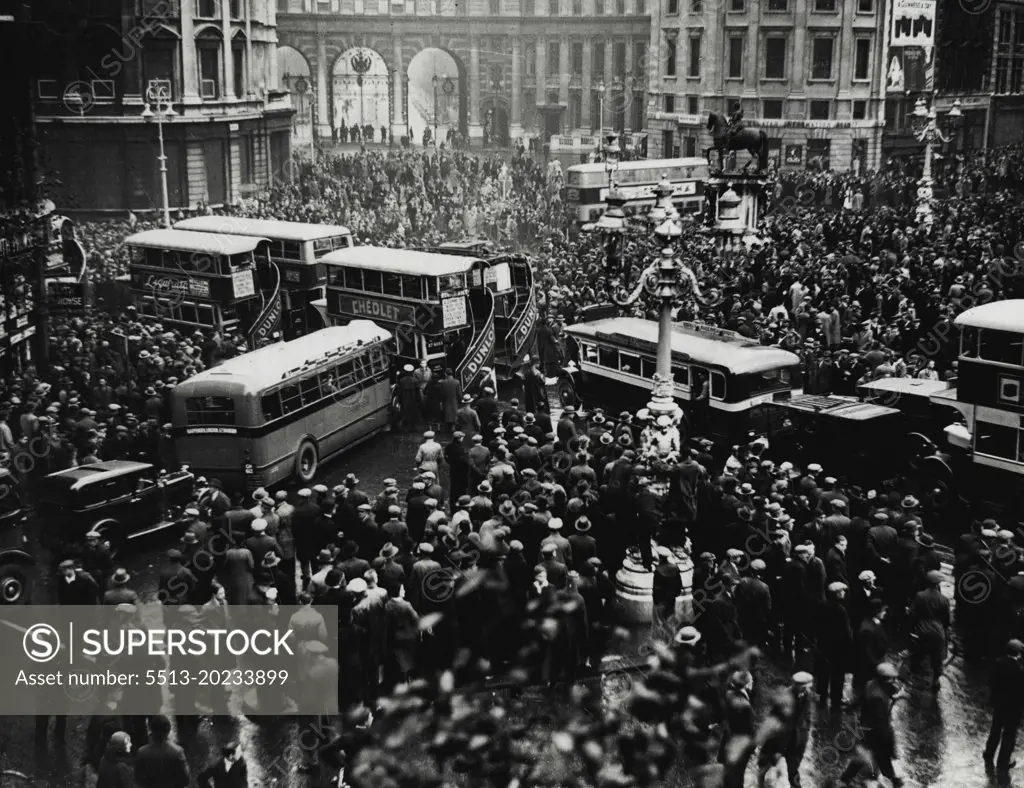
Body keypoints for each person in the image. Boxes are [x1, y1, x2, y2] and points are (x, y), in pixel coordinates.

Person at [985, 638, 1024, 772]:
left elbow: (990, 682)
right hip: (1013, 709)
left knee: (995, 730)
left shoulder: (997, 663)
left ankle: (988, 754)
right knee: (1009, 735)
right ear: (1018, 653)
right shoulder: (1020, 670)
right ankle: (1003, 761)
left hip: (999, 705)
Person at [134, 714, 190, 788]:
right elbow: (186, 779)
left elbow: (138, 779)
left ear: (151, 729)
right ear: (168, 730)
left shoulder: (141, 752)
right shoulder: (177, 752)